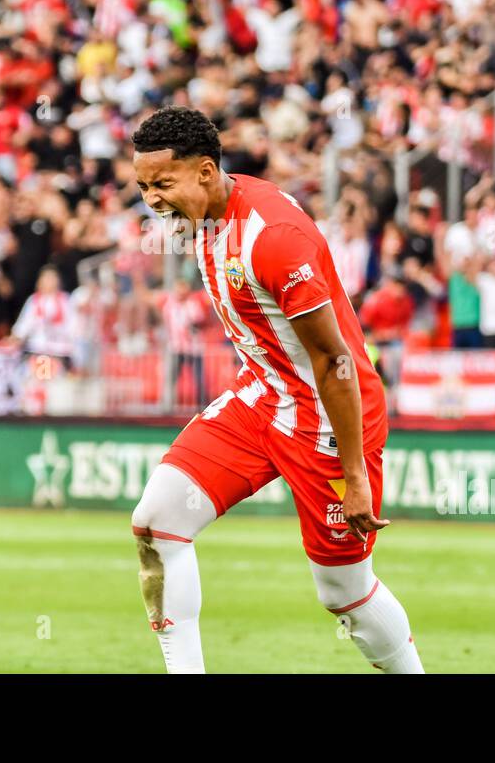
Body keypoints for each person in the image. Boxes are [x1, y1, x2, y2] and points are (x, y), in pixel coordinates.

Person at [129, 106, 423, 674]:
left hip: (326, 418)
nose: (152, 199)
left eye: (163, 183)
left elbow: (334, 361)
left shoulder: (272, 238)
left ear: (206, 173)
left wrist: (356, 475)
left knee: (343, 592)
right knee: (157, 519)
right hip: (262, 397)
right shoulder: (205, 217)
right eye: (143, 185)